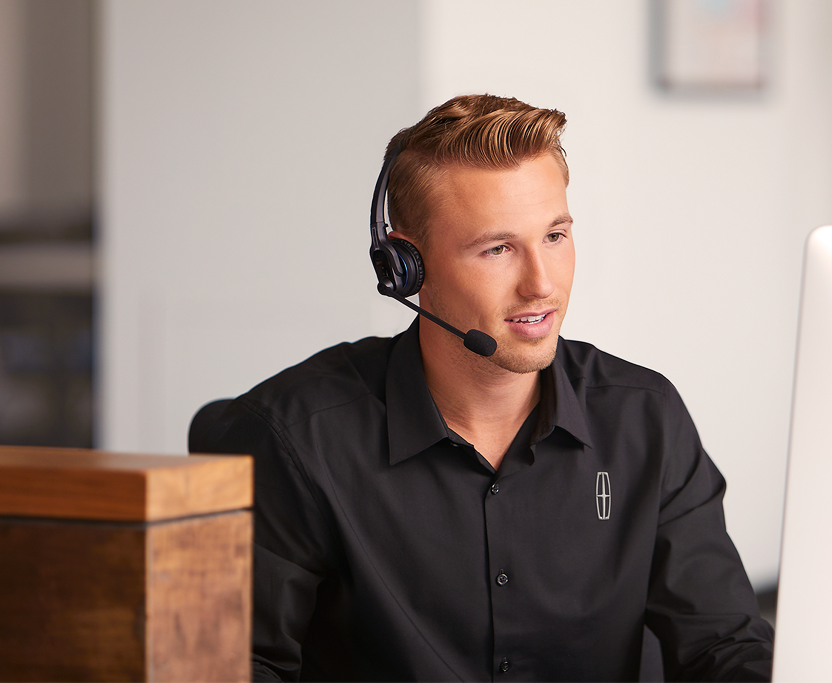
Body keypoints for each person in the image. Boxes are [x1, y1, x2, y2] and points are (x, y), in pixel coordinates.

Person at [196, 94, 774, 682]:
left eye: (554, 236)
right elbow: (243, 667)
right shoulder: (300, 440)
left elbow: (721, 646)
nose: (541, 284)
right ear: (405, 267)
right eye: (498, 249)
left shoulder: (644, 419)